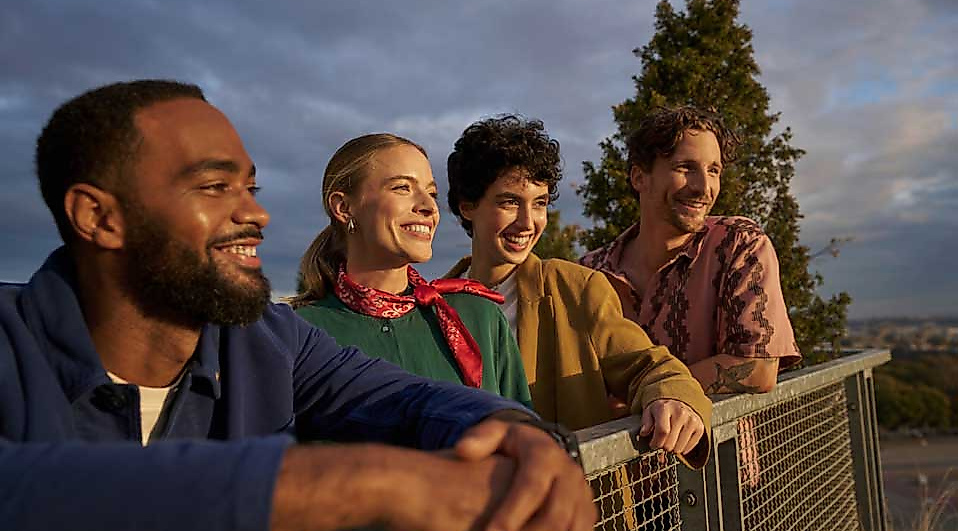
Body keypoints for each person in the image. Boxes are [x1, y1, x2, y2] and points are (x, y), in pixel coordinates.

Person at [0, 80, 596, 531]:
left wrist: (518, 432)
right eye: (214, 187)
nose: (255, 214)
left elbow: (406, 397)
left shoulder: (268, 340)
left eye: (251, 188)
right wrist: (362, 485)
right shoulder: (11, 345)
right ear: (99, 217)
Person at [445, 114, 711, 467]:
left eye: (539, 203)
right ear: (467, 206)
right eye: (509, 202)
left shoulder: (575, 288)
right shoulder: (433, 306)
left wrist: (674, 397)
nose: (528, 222)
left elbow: (647, 365)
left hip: (572, 494)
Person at [288, 133, 531, 408]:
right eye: (402, 188)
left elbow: (523, 428)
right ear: (344, 207)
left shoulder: (480, 318)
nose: (429, 207)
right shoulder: (298, 335)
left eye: (432, 193)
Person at [579, 105, 801, 395]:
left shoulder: (739, 245)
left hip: (718, 429)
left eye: (713, 171)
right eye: (685, 168)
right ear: (639, 177)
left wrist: (645, 396)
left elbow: (758, 367)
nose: (704, 187)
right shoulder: (588, 273)